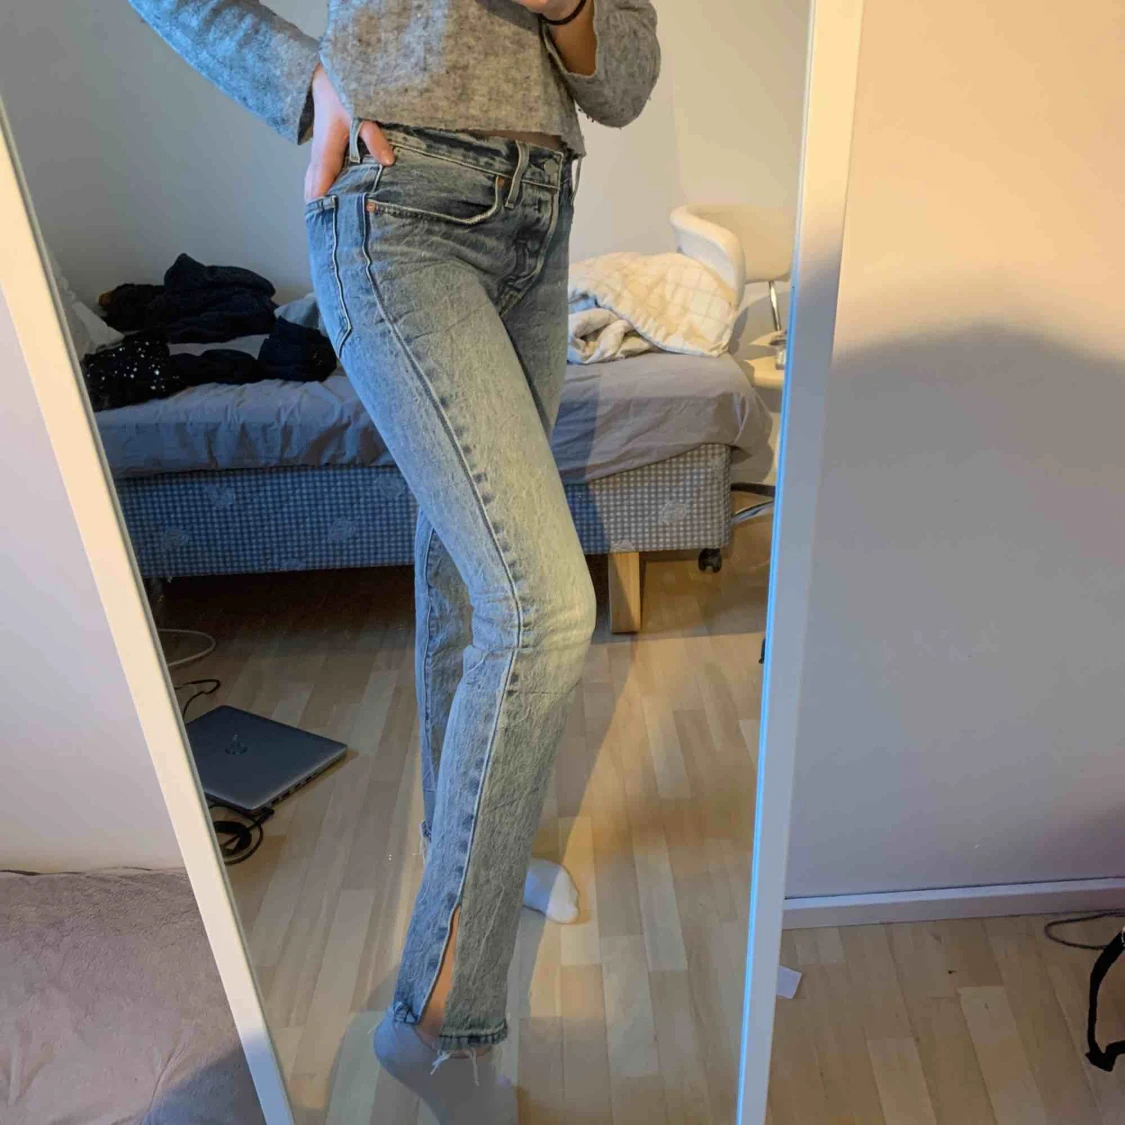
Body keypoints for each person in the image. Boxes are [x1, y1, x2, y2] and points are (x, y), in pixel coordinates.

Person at [127, 1, 660, 1120]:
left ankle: (468, 855)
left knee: (470, 578)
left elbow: (622, 83)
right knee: (545, 607)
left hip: (542, 218)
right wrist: (304, 78)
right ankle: (436, 1024)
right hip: (399, 202)